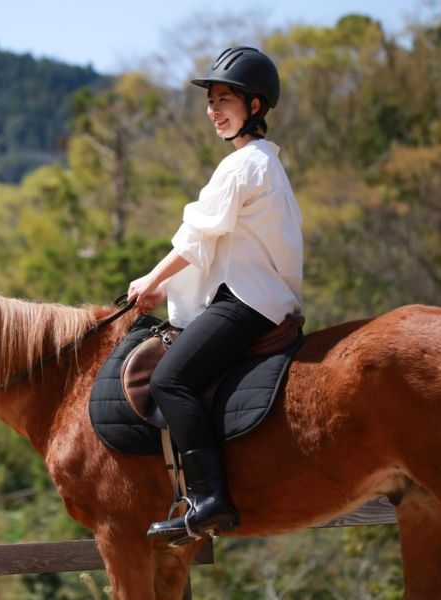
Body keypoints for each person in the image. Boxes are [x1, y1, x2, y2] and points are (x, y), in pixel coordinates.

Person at [127, 46, 303, 543]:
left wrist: (152, 279)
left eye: (225, 99)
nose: (214, 110)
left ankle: (209, 500)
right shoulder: (260, 164)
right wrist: (165, 283)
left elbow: (199, 236)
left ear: (255, 106)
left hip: (248, 300)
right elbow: (216, 244)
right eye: (211, 101)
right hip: (250, 294)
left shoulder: (245, 166)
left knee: (170, 381)